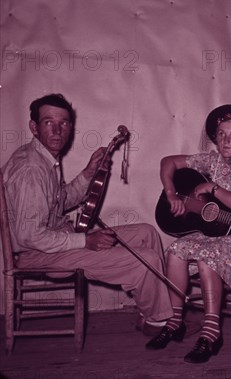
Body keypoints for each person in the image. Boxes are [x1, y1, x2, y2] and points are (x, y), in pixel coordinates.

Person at [2, 93, 173, 338]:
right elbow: (29, 236)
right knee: (144, 258)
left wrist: (88, 172)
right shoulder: (31, 169)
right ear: (34, 127)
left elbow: (60, 202)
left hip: (55, 243)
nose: (58, 130)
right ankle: (158, 323)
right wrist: (86, 241)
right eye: (48, 122)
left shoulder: (43, 159)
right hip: (35, 255)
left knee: (145, 233)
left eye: (64, 123)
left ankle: (152, 311)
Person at [145, 104, 231, 364]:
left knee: (207, 255)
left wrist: (212, 188)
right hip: (214, 232)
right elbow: (168, 162)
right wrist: (171, 193)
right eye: (221, 134)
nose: (225, 140)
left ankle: (211, 332)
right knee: (176, 251)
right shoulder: (210, 160)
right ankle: (175, 320)